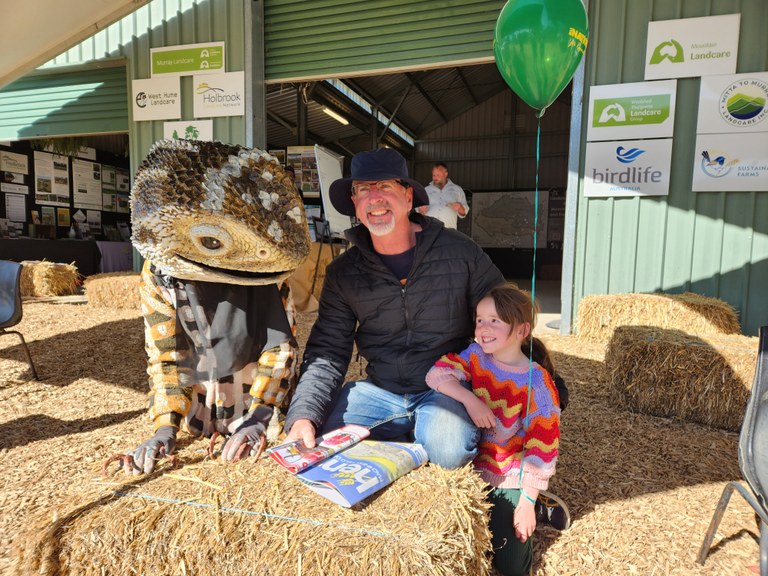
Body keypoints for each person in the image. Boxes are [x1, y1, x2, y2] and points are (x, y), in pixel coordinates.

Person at [283, 147, 506, 468]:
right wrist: (303, 416)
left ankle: (425, 435)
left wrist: (535, 377)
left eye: (385, 186)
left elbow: (505, 318)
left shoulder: (461, 253)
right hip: (378, 390)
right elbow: (328, 351)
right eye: (363, 190)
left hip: (446, 389)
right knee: (323, 443)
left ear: (408, 197)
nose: (374, 198)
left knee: (449, 451)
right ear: (355, 205)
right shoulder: (343, 273)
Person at [124, 139, 310, 475]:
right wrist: (166, 426)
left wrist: (261, 415)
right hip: (198, 404)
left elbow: (281, 349)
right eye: (212, 241)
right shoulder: (160, 275)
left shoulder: (265, 272)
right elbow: (165, 355)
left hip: (255, 395)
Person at [425, 283, 562, 576]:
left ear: (522, 331)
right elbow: (437, 374)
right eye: (479, 320)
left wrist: (525, 502)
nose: (483, 328)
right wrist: (470, 399)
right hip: (469, 472)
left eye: (495, 321)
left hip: (509, 476)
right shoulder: (475, 355)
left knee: (511, 566)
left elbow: (542, 450)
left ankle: (537, 505)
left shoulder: (537, 384)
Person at [418, 161, 469, 229]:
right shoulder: (425, 190)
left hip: (449, 231)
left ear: (445, 174)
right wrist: (421, 210)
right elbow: (419, 211)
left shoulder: (457, 189)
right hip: (430, 231)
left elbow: (464, 212)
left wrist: (460, 207)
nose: (435, 178)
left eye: (438, 175)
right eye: (434, 175)